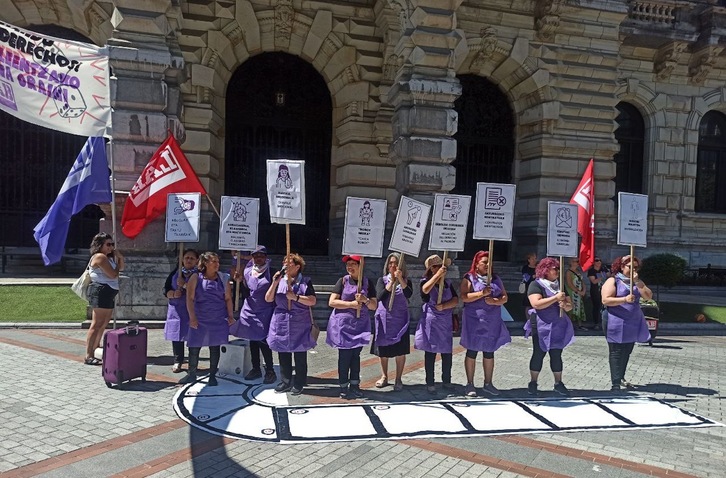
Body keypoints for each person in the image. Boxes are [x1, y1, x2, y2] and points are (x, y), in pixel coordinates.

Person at [460, 251, 511, 397]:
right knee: (472, 350)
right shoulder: (469, 278)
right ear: (476, 264)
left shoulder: (495, 279)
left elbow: (504, 297)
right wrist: (480, 294)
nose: (488, 265)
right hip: (474, 320)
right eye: (484, 262)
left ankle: (488, 383)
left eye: (489, 262)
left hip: (491, 321)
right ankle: (470, 383)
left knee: (489, 351)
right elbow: (464, 297)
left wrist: (495, 301)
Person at [179, 252, 235, 386]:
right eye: (213, 261)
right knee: (194, 346)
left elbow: (227, 298)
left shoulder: (223, 278)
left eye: (217, 261)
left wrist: (231, 316)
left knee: (215, 346)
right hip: (200, 317)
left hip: (218, 318)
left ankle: (212, 376)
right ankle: (191, 374)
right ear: (205, 263)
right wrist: (192, 317)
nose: (217, 264)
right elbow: (190, 298)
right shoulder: (195, 278)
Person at [265, 253, 317, 395]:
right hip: (281, 320)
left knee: (300, 354)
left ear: (298, 266)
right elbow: (268, 299)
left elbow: (312, 301)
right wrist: (275, 282)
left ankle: (299, 382)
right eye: (284, 263)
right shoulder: (279, 280)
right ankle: (285, 381)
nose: (285, 266)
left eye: (289, 263)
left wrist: (296, 297)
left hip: (299, 322)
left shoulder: (306, 281)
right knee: (283, 352)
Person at [327, 255, 377, 399]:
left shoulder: (368, 283)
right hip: (343, 326)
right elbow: (332, 302)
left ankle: (355, 385)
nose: (349, 267)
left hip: (360, 325)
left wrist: (365, 300)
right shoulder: (342, 281)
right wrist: (351, 304)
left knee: (356, 356)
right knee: (344, 357)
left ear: (360, 265)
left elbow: (374, 305)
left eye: (352, 264)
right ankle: (343, 386)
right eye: (348, 264)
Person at [601, 255, 652, 391]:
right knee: (616, 350)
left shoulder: (636, 281)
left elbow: (648, 296)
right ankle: (615, 383)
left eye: (636, 267)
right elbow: (606, 300)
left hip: (632, 320)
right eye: (630, 267)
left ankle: (621, 376)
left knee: (627, 350)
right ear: (622, 266)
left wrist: (637, 282)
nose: (633, 269)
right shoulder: (613, 280)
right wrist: (624, 299)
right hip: (615, 319)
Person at [525, 257, 574, 397]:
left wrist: (565, 305)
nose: (557, 271)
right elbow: (536, 303)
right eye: (554, 269)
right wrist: (555, 298)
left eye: (558, 269)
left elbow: (570, 306)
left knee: (556, 353)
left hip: (558, 323)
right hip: (541, 323)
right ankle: (533, 382)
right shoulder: (536, 284)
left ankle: (558, 383)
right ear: (546, 270)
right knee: (539, 352)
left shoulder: (561, 286)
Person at [230, 245, 277, 384]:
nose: (258, 258)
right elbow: (246, 288)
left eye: (261, 255)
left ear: (266, 257)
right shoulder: (248, 271)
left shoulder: (273, 272)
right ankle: (256, 368)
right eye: (255, 256)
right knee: (252, 340)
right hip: (250, 310)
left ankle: (270, 370)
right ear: (252, 257)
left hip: (265, 311)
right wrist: (239, 280)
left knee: (263, 341)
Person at [415, 254, 459, 394]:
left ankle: (447, 380)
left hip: (445, 321)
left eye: (442, 266)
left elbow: (455, 300)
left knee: (446, 352)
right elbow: (425, 290)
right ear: (432, 269)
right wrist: (436, 276)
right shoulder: (425, 281)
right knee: (431, 352)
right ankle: (430, 382)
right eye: (437, 267)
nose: (441, 269)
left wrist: (445, 306)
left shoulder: (448, 283)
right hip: (432, 321)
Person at [372, 252, 412, 391]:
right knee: (383, 350)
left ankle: (398, 378)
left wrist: (400, 280)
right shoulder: (382, 280)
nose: (393, 265)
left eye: (396, 263)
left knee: (400, 351)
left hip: (400, 320)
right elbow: (380, 296)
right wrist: (391, 282)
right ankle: (384, 376)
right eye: (391, 263)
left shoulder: (406, 280)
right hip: (385, 320)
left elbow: (409, 294)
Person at [85, 233, 124, 365]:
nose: (111, 247)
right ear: (99, 245)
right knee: (97, 323)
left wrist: (120, 258)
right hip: (101, 290)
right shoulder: (100, 257)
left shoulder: (109, 257)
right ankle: (89, 354)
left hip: (109, 292)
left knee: (103, 323)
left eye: (112, 244)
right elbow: (113, 274)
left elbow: (121, 268)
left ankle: (96, 347)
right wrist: (117, 263)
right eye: (108, 244)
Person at [163, 249, 199, 373]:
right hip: (177, 310)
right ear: (182, 259)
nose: (188, 260)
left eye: (191, 258)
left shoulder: (200, 275)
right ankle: (178, 360)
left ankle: (193, 363)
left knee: (193, 336)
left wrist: (184, 285)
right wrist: (172, 294)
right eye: (186, 258)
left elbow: (201, 292)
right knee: (177, 336)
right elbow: (165, 289)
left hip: (192, 310)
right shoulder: (175, 273)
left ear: (197, 261)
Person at [565, 257, 587, 330]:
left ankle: (580, 325)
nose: (577, 263)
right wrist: (577, 291)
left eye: (578, 261)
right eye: (575, 261)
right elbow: (569, 283)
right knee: (572, 308)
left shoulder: (578, 271)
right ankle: (569, 325)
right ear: (571, 262)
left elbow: (582, 281)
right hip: (572, 292)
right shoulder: (568, 272)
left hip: (579, 292)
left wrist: (584, 290)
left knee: (579, 307)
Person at [587, 257, 609, 331]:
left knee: (605, 306)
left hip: (605, 290)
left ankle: (605, 322)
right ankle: (596, 323)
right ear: (593, 262)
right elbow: (593, 281)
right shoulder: (591, 271)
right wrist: (602, 277)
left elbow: (609, 276)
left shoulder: (604, 269)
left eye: (600, 260)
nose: (599, 262)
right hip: (595, 290)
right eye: (597, 260)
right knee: (596, 307)